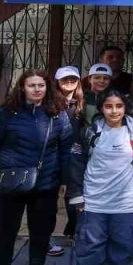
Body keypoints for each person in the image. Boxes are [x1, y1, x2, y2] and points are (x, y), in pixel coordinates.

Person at [0, 70, 75, 265]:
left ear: (47, 88)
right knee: (7, 231)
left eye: (41, 85)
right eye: (32, 85)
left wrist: (64, 179)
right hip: (11, 181)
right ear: (22, 87)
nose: (36, 89)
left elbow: (65, 150)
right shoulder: (6, 113)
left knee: (40, 233)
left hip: (45, 183)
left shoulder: (58, 114)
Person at [67, 90, 133, 265]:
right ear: (101, 108)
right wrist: (76, 196)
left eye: (119, 106)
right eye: (109, 106)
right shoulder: (89, 132)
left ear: (126, 108)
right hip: (94, 199)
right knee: (91, 247)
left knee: (122, 246)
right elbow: (75, 165)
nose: (114, 111)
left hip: (126, 201)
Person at [53, 65, 85, 248]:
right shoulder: (51, 102)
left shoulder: (81, 103)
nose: (69, 82)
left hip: (75, 157)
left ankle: (73, 231)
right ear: (57, 82)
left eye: (73, 79)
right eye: (65, 79)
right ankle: (46, 238)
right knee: (49, 198)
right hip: (53, 156)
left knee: (74, 197)